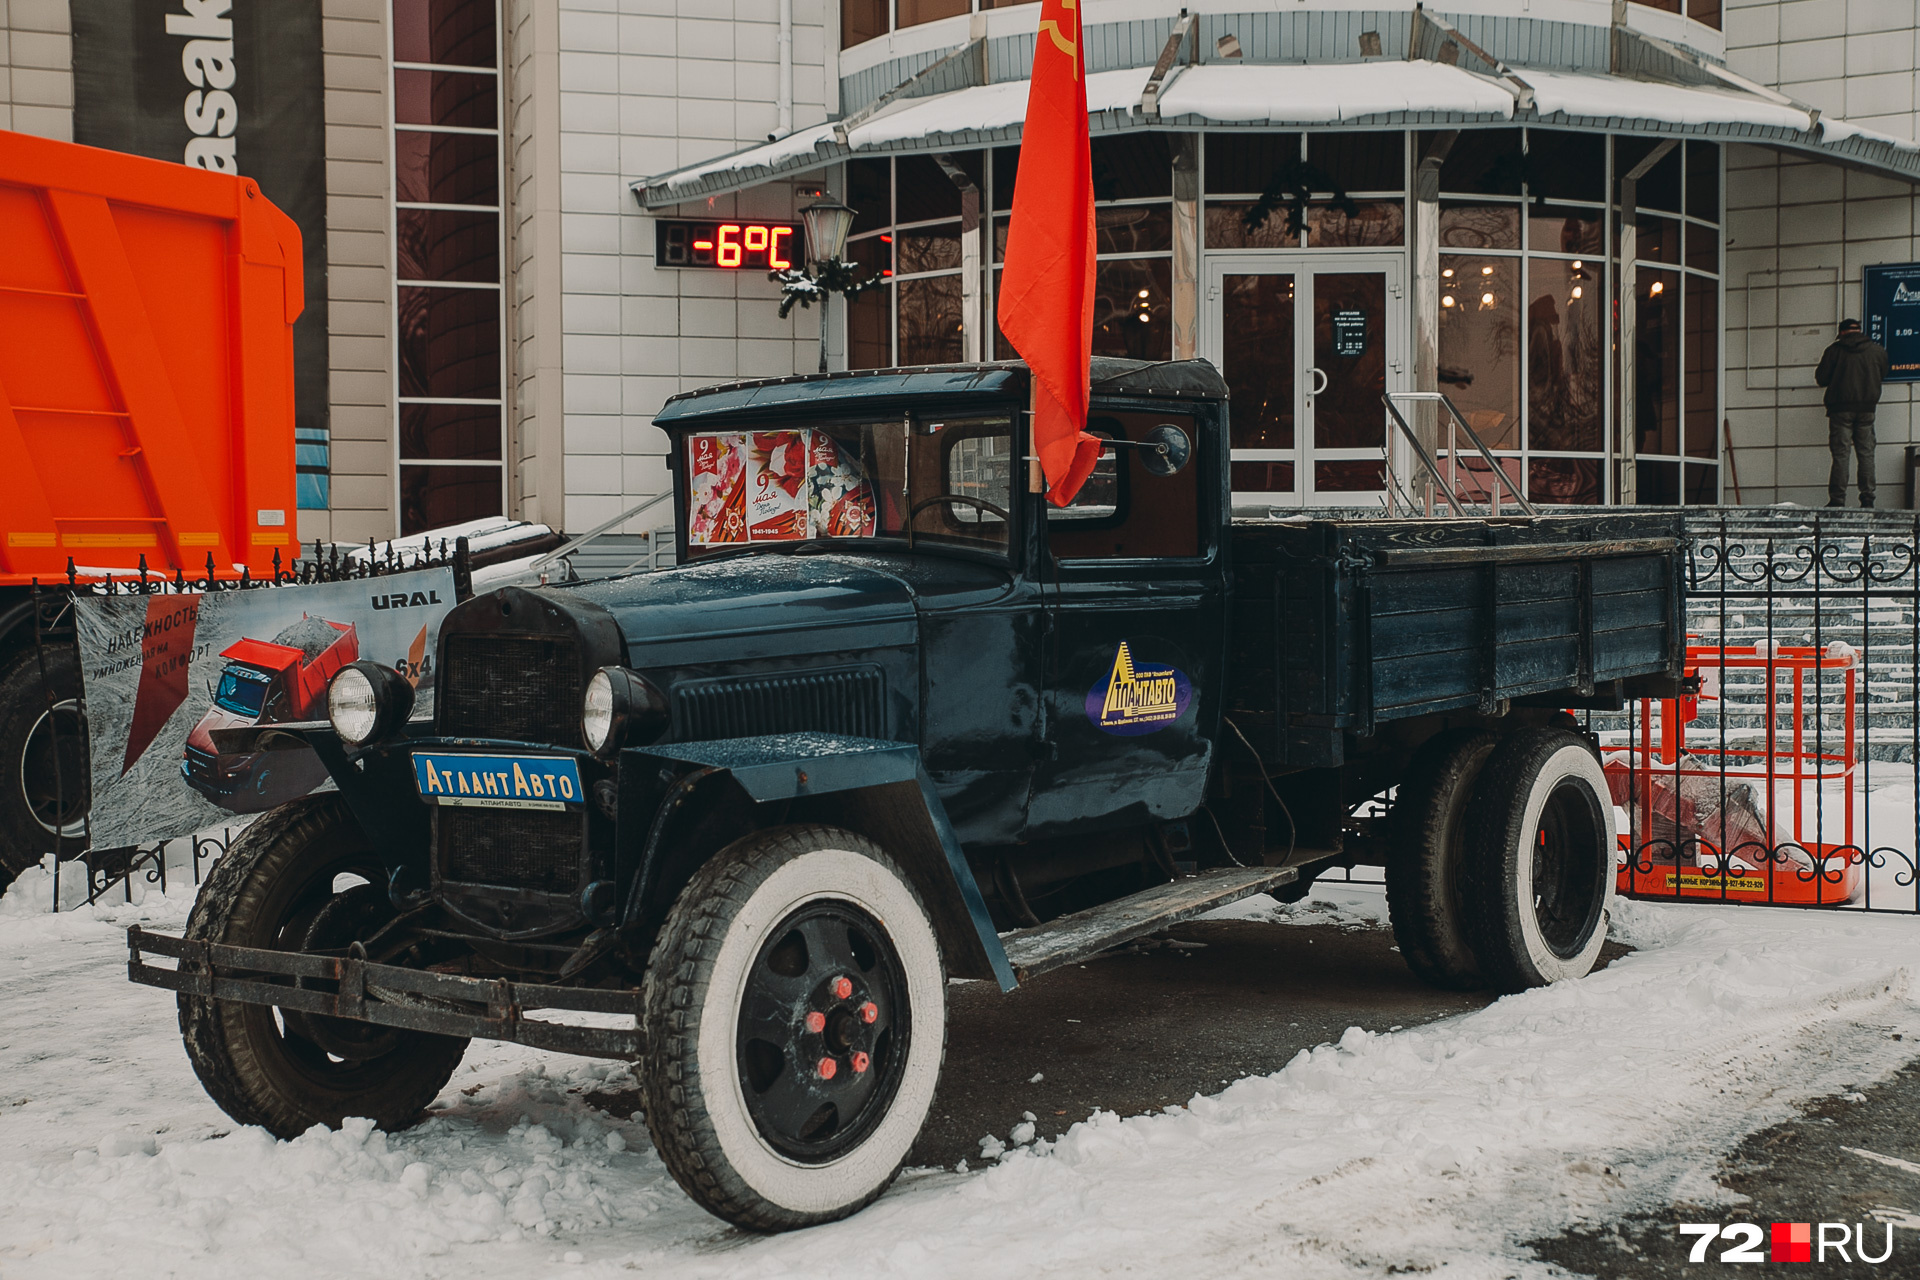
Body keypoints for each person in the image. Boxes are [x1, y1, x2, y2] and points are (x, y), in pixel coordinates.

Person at [1815, 318, 1893, 508]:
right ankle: (1867, 498)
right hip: (1867, 409)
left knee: (1841, 454)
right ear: (1860, 331)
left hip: (1840, 411)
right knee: (1866, 454)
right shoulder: (1877, 351)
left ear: (1841, 332)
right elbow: (1882, 374)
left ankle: (1837, 499)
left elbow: (1821, 378)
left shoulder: (1834, 351)